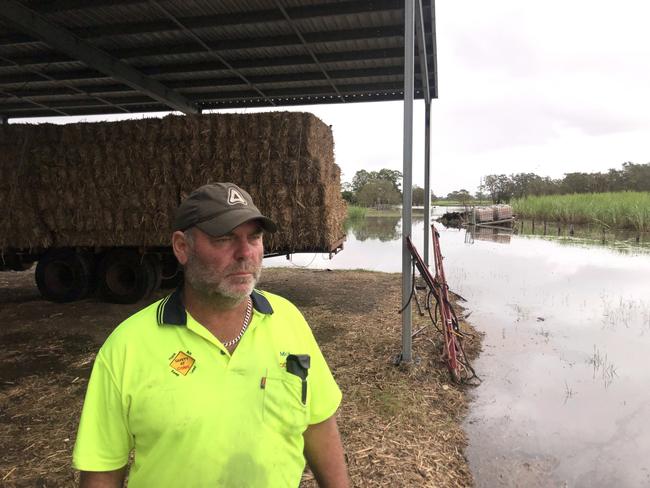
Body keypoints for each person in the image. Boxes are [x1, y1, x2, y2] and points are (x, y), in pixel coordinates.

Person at [72, 183, 349, 488]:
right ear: (182, 247)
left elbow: (318, 424)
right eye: (224, 238)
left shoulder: (288, 320)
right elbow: (102, 471)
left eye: (253, 237)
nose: (245, 253)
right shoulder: (127, 347)